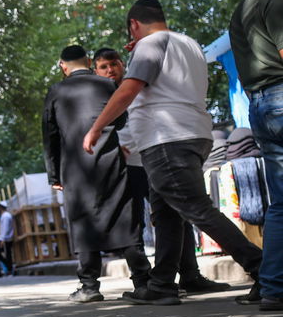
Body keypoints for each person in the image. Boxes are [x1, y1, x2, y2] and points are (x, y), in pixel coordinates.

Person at [84, 0, 263, 300]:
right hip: (192, 134)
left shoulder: (150, 45)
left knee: (198, 210)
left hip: (167, 138)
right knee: (166, 214)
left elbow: (129, 89)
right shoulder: (188, 44)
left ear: (134, 25)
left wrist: (96, 127)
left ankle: (266, 272)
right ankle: (162, 284)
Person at [94, 45, 231, 297]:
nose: (111, 70)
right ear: (96, 70)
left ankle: (190, 275)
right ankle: (146, 283)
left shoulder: (139, 82)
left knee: (178, 216)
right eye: (104, 66)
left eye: (114, 64)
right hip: (126, 169)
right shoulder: (96, 95)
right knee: (133, 226)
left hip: (156, 158)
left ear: (123, 64)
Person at [44, 44, 156, 303]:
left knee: (83, 223)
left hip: (74, 167)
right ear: (88, 62)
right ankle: (142, 281)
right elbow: (119, 121)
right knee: (125, 219)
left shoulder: (56, 91)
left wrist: (54, 176)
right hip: (110, 161)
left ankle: (89, 287)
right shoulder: (106, 85)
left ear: (63, 66)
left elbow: (50, 136)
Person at [229, 0, 283, 311]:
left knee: (280, 203)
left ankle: (274, 288)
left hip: (260, 105)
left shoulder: (242, 9)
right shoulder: (275, 1)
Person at [0, 201, 15, 275]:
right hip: (5, 237)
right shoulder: (4, 215)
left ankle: (9, 267)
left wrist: (2, 239)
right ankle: (9, 267)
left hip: (6, 238)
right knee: (7, 254)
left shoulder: (6, 216)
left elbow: (5, 228)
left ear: (1, 208)